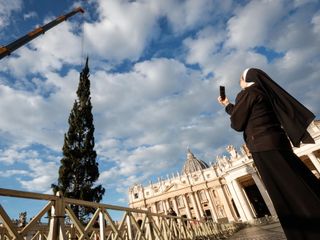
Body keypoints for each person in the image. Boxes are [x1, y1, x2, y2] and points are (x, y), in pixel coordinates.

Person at [217, 68, 320, 240]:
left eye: (240, 78)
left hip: (262, 146)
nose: (239, 81)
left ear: (246, 79)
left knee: (283, 191)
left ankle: (304, 231)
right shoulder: (263, 93)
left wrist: (229, 107)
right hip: (278, 143)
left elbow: (238, 122)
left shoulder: (247, 93)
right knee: (296, 181)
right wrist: (227, 105)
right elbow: (247, 113)